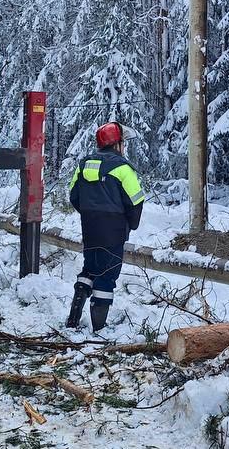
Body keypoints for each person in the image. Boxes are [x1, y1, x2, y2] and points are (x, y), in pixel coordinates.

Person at [66, 122, 145, 330]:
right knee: (106, 275)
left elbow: (74, 195)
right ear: (117, 144)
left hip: (90, 228)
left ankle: (73, 319)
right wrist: (131, 223)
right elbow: (135, 200)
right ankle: (98, 329)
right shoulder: (122, 168)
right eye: (123, 143)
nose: (124, 147)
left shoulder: (84, 164)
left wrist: (90, 214)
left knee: (89, 269)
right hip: (114, 230)